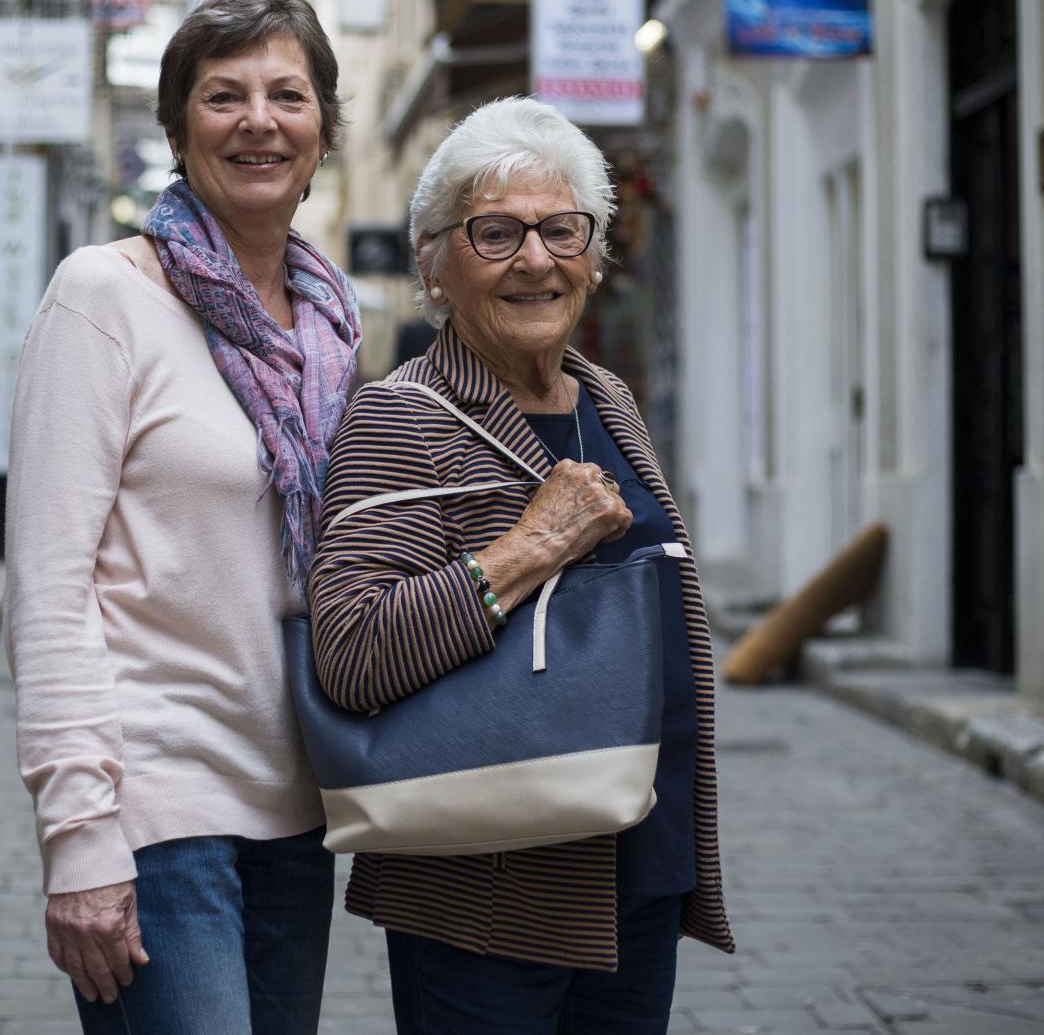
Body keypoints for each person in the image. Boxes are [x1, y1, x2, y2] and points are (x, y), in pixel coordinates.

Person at [308, 97, 734, 1033]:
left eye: (560, 229)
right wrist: (532, 545)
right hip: (488, 898)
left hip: (639, 868)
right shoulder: (401, 417)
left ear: (593, 251)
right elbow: (350, 650)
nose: (535, 258)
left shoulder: (607, 397)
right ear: (434, 264)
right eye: (494, 232)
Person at [4, 0, 361, 1035]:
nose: (259, 120)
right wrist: (79, 836)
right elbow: (48, 585)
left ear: (323, 129)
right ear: (175, 127)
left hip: (296, 807)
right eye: (223, 95)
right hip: (156, 807)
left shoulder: (328, 331)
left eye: (287, 95)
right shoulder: (103, 296)